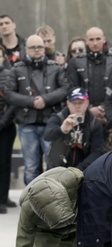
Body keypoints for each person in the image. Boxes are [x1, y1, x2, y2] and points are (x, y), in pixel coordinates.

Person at [5, 34, 69, 185]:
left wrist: (45, 99)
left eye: (39, 47)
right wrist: (31, 101)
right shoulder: (17, 69)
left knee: (52, 166)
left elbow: (65, 88)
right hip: (27, 124)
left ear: (44, 48)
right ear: (26, 49)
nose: (36, 50)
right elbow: (8, 93)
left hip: (51, 123)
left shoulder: (55, 68)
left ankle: (51, 201)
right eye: (32, 47)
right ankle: (31, 203)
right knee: (31, 167)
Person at [16, 167, 83, 247]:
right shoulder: (28, 210)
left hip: (70, 221)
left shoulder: (72, 179)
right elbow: (23, 246)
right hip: (44, 231)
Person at [66, 26, 112, 151]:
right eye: (91, 39)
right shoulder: (76, 62)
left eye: (98, 39)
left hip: (110, 115)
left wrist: (104, 108)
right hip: (84, 117)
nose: (95, 43)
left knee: (111, 156)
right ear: (86, 41)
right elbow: (73, 89)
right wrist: (88, 109)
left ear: (104, 39)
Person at [44, 87, 104, 170]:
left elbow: (97, 151)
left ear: (87, 103)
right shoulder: (59, 117)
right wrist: (62, 129)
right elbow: (47, 135)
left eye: (80, 103)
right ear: (68, 103)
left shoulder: (94, 123)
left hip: (83, 169)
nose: (77, 106)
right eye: (74, 103)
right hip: (57, 168)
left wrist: (79, 169)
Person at [0, 45, 15, 214]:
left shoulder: (9, 75)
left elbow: (12, 103)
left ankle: (2, 199)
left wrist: (3, 123)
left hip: (5, 128)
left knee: (4, 164)